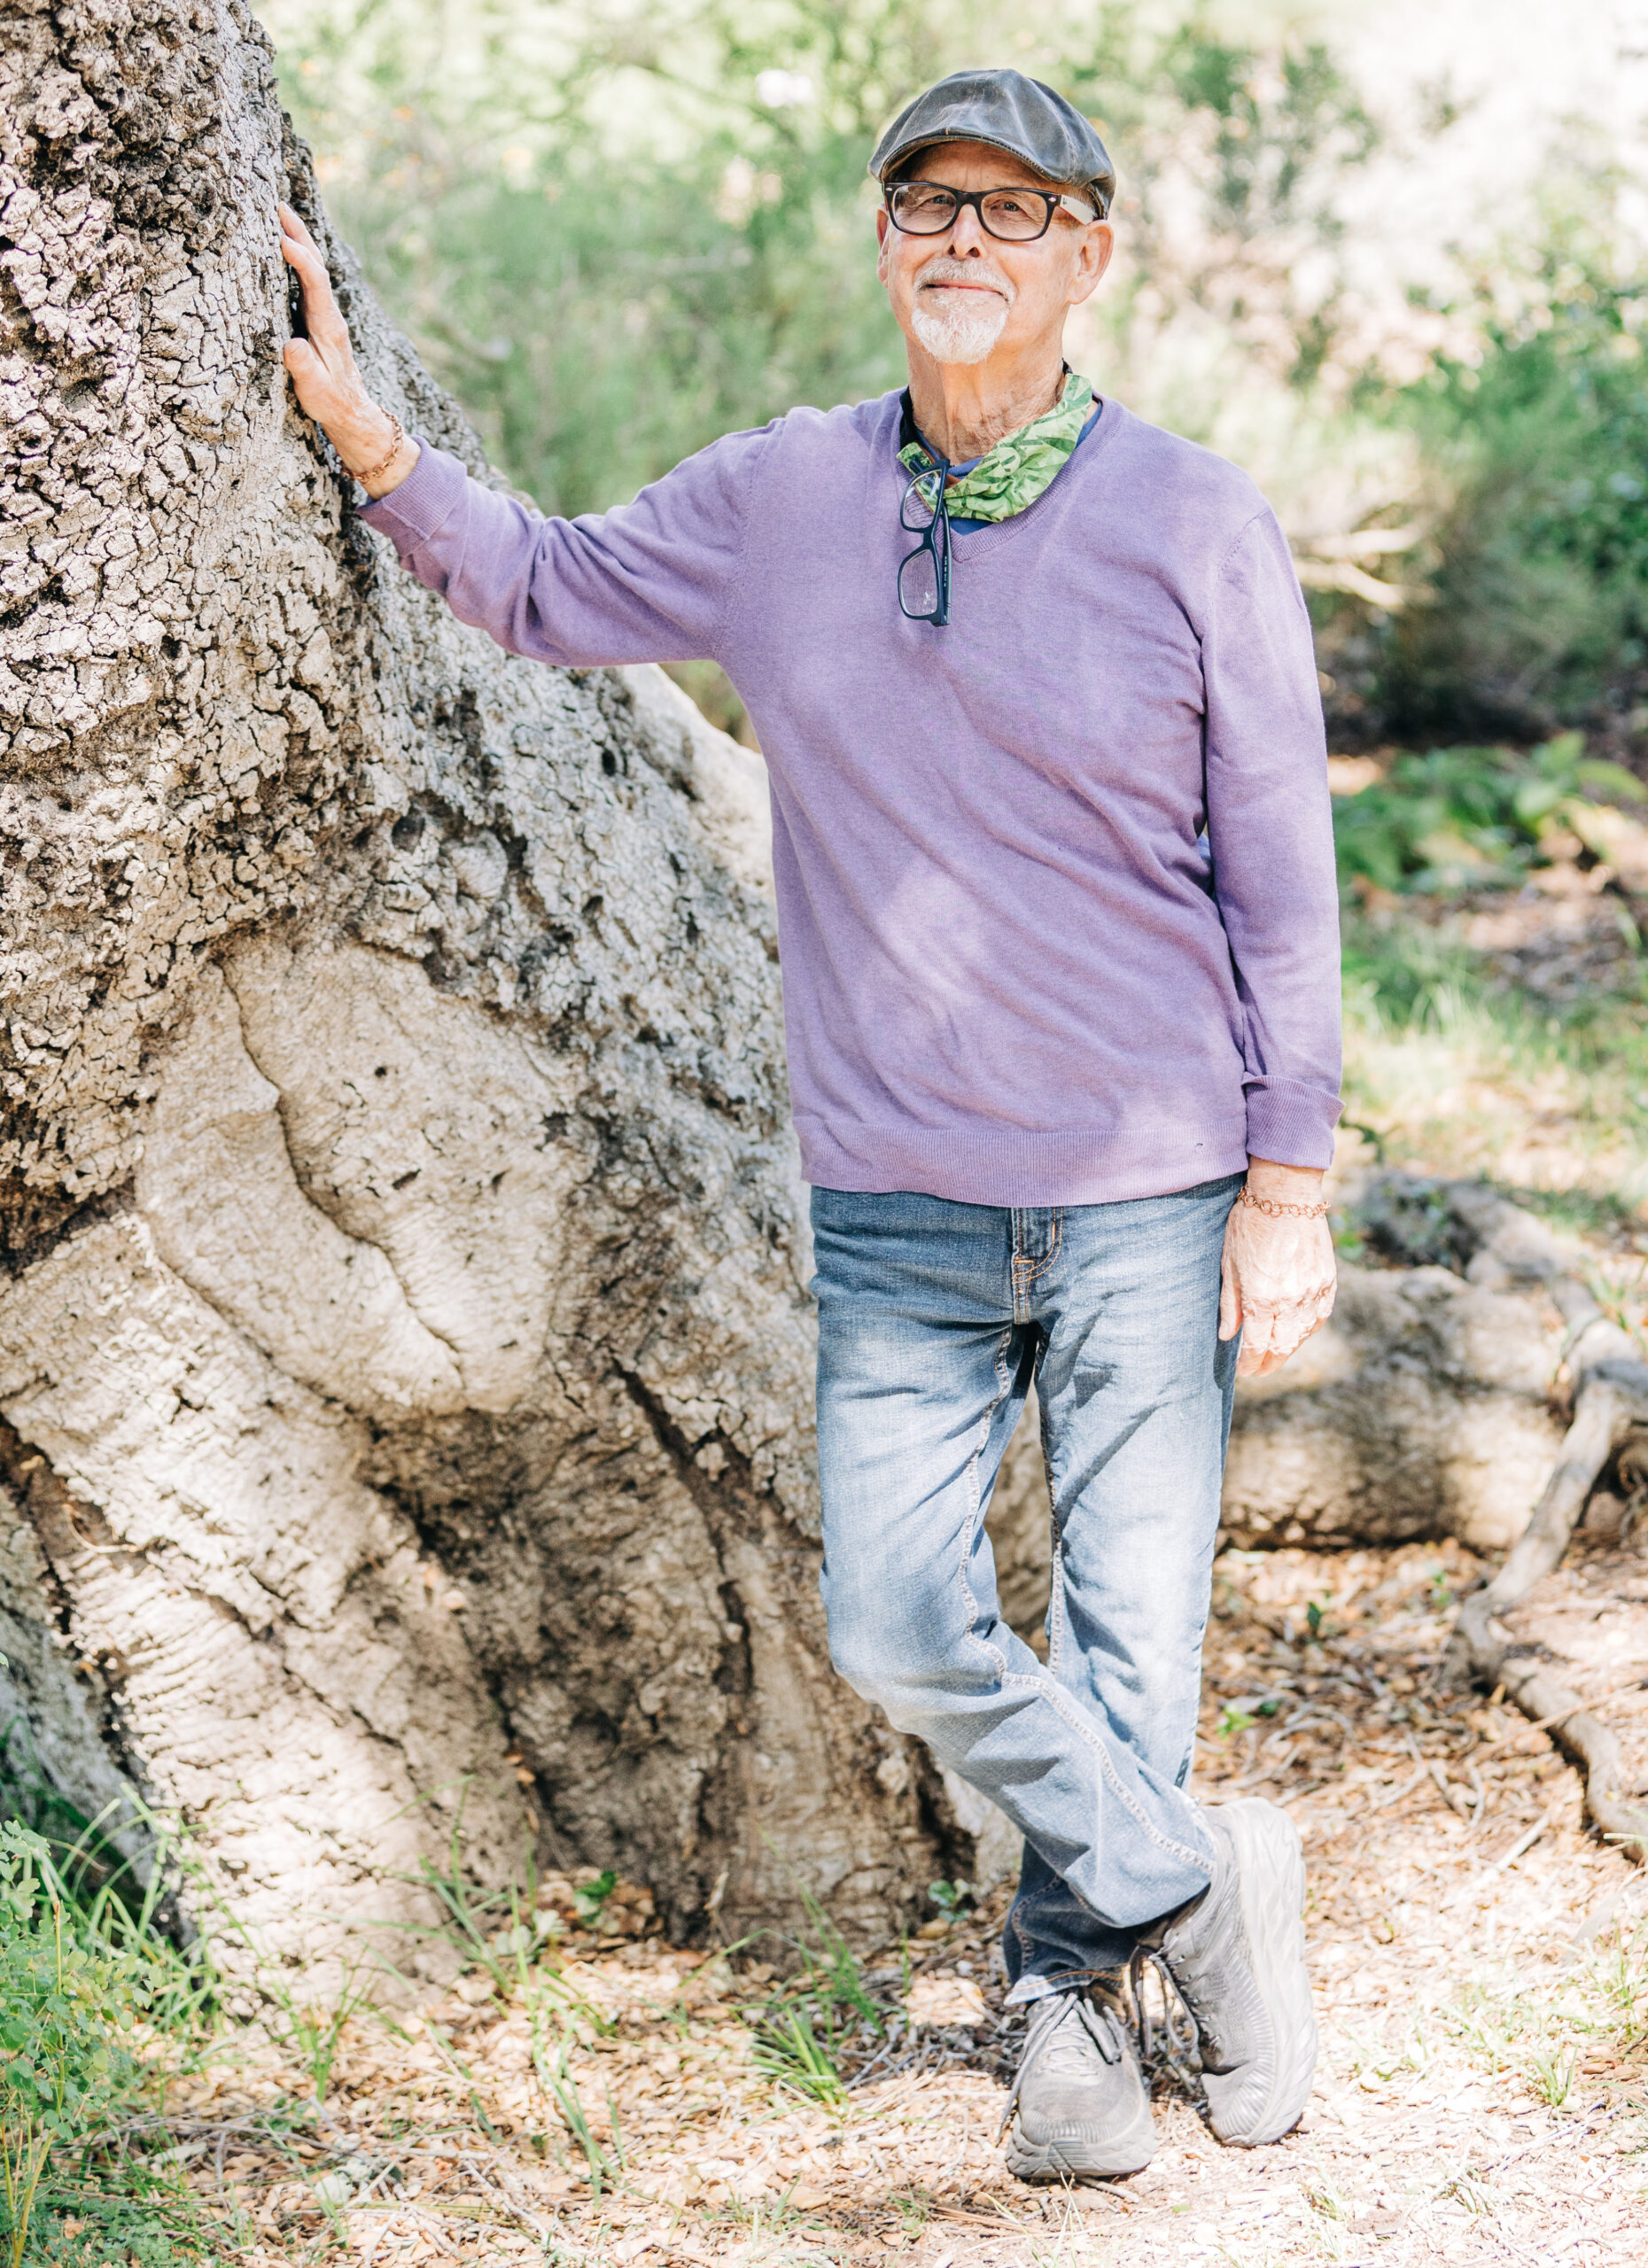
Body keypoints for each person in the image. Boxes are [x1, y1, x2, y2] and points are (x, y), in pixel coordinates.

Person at [280, 66, 1340, 2181]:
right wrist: (372, 443)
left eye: (1017, 211)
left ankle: (1071, 2014)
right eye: (928, 202)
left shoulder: (1195, 518)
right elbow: (553, 586)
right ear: (883, 244)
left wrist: (1290, 1177)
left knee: (1135, 1640)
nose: (965, 238)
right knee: (895, 1615)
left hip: (1150, 1184)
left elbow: (1281, 861)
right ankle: (1208, 1885)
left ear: (1091, 257)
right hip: (899, 1201)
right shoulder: (786, 499)